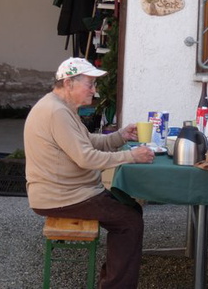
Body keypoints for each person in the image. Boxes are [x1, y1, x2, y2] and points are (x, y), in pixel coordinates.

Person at [24, 57, 155, 288]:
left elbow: (84, 141)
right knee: (129, 222)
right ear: (68, 83)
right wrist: (131, 155)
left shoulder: (60, 106)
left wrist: (119, 136)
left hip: (70, 191)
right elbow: (87, 158)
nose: (94, 91)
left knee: (130, 209)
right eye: (90, 84)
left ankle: (113, 278)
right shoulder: (56, 112)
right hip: (62, 196)